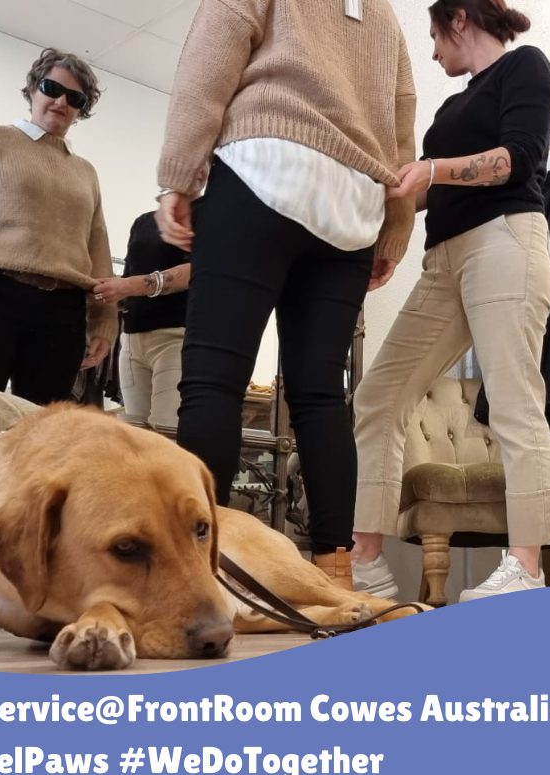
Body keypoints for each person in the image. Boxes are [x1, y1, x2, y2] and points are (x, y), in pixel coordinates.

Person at [155, 0, 416, 589]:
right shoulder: (385, 17)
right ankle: (336, 571)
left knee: (214, 379)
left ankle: (198, 572)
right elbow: (402, 125)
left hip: (263, 167)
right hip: (352, 206)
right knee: (321, 395)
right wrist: (394, 229)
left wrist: (178, 174)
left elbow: (210, 59)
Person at [351, 0, 550, 601]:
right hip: (443, 259)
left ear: (460, 20)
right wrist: (383, 212)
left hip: (505, 241)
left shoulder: (527, 67)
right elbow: (424, 192)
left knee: (516, 403)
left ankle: (524, 569)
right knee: (380, 395)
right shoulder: (447, 108)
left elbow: (516, 160)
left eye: (436, 36)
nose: (435, 49)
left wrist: (430, 170)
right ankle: (367, 563)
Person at [0, 48, 116, 405]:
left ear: (82, 108)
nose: (60, 101)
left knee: (42, 432)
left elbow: (98, 248)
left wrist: (104, 322)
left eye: (75, 97)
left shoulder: (86, 171)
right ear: (32, 89)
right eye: (51, 88)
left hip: (62, 313)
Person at [93, 211, 191, 431]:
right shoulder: (143, 222)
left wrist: (126, 286)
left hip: (175, 337)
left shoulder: (206, 215)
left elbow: (196, 270)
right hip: (132, 339)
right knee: (137, 435)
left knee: (166, 432)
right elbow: (128, 279)